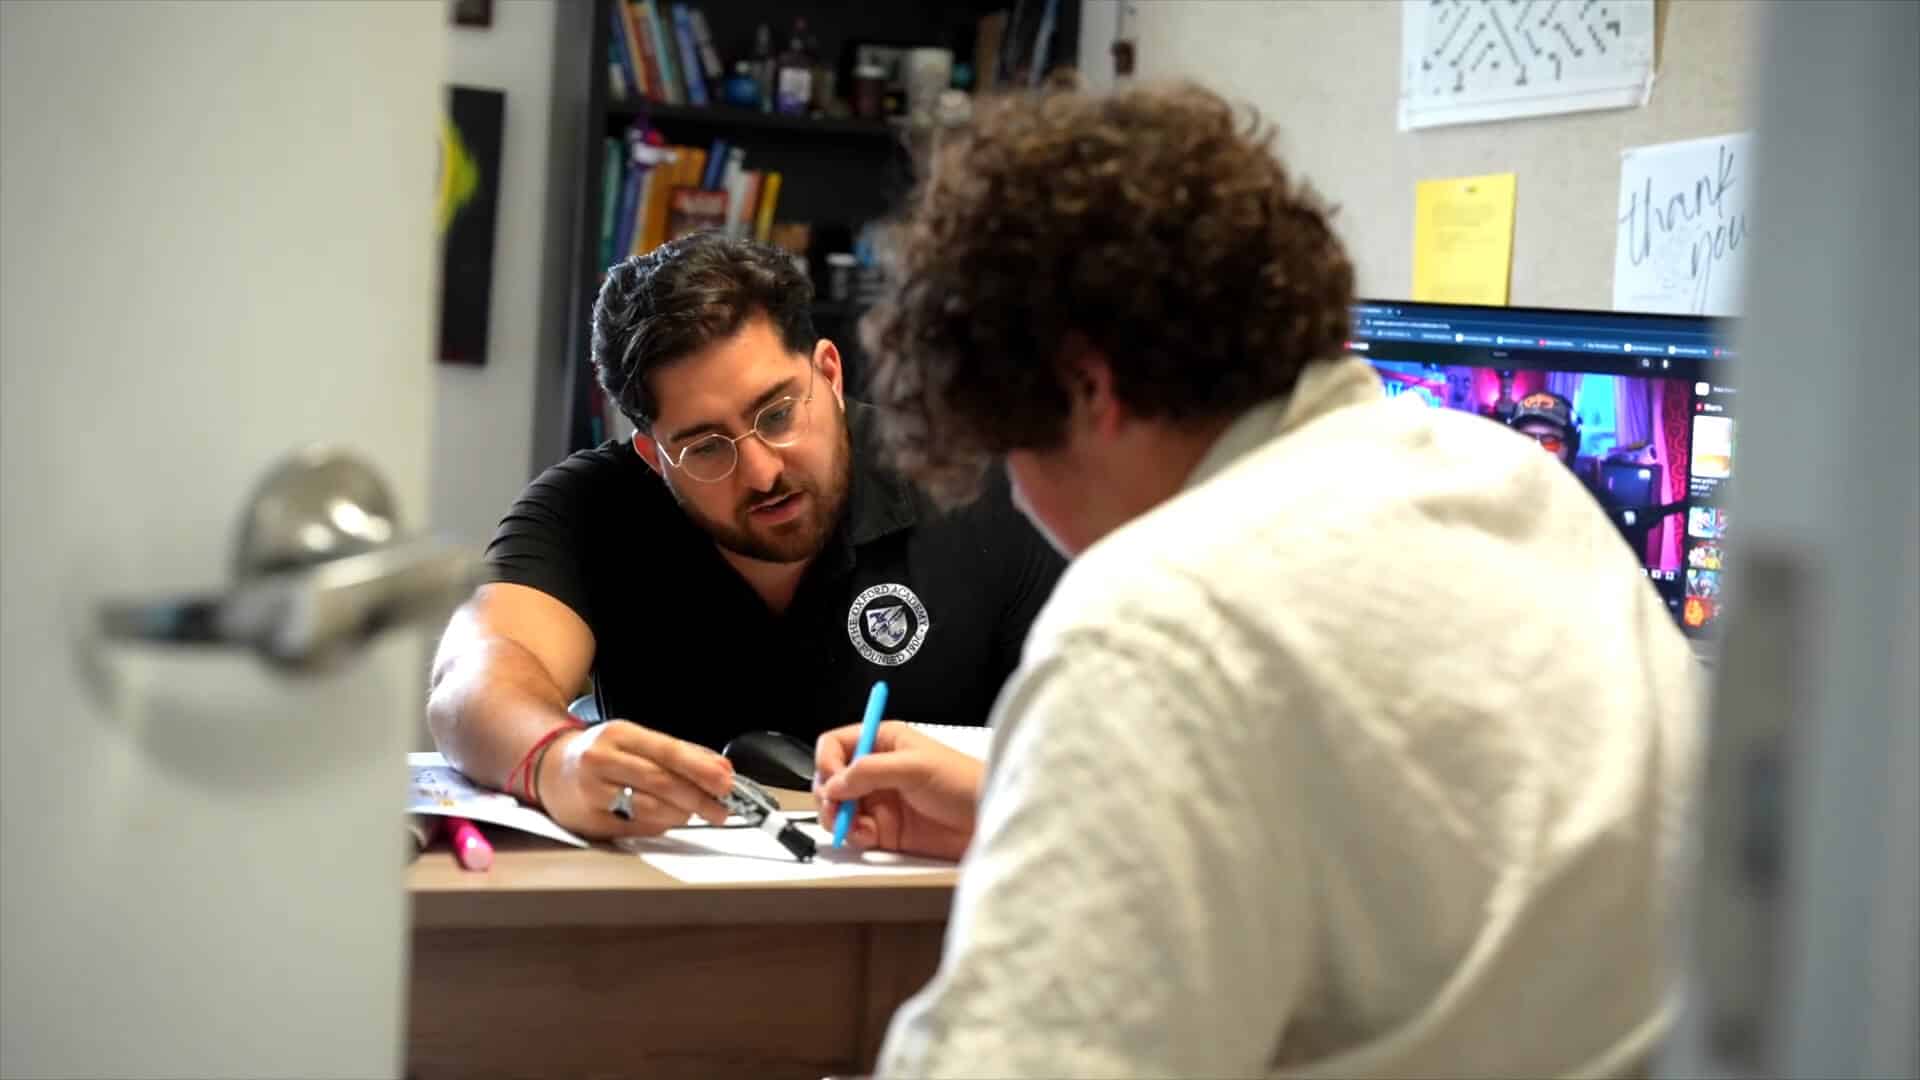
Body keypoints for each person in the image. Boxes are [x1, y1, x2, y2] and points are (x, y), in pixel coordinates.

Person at [814, 83, 1702, 1078]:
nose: (1019, 504)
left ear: (1088, 388)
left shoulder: (1154, 620)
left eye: (1011, 453)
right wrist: (1040, 812)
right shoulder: (1507, 482)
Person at [427, 232, 1062, 839]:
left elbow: (1103, 739)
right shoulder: (589, 504)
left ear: (831, 375)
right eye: (705, 447)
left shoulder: (978, 489)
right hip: (680, 918)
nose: (761, 472)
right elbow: (470, 683)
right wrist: (555, 760)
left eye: (779, 413)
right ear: (655, 457)